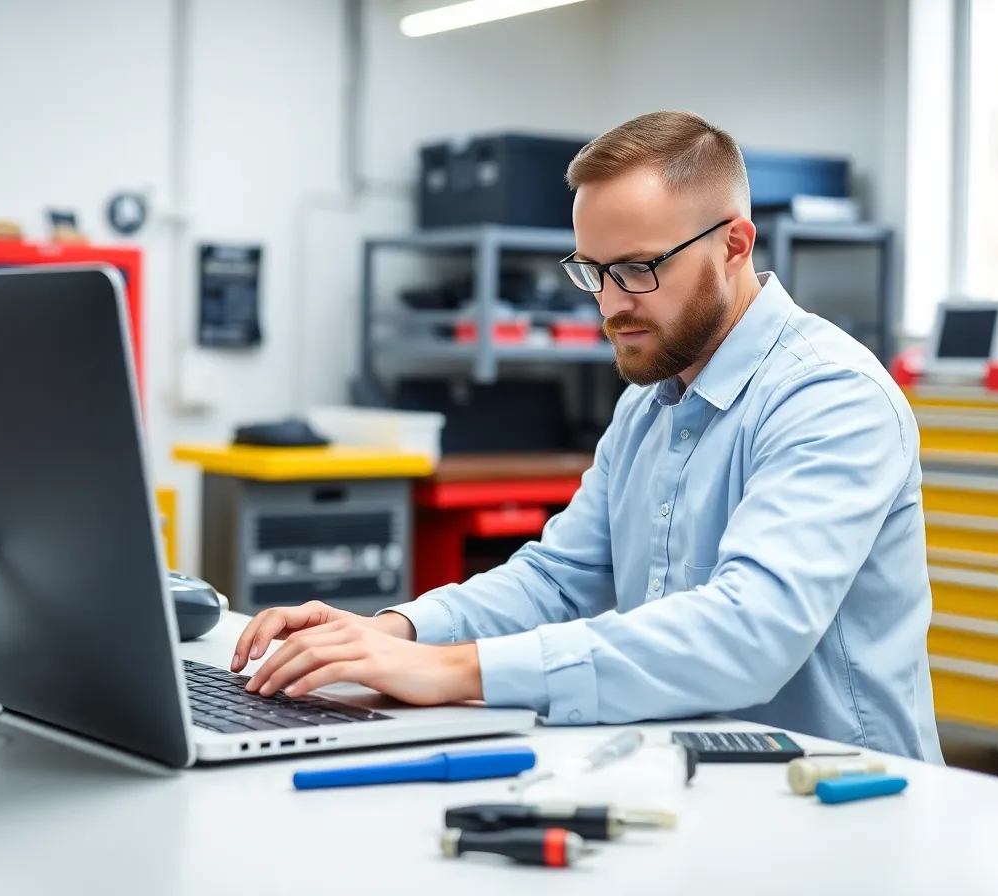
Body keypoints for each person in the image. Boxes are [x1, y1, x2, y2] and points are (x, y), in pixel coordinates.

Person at [231, 110, 943, 762]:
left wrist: (453, 671)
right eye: (591, 272)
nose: (611, 304)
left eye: (637, 268)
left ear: (734, 244)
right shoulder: (652, 401)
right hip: (692, 775)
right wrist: (394, 632)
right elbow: (559, 577)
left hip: (843, 798)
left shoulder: (830, 397)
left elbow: (748, 631)